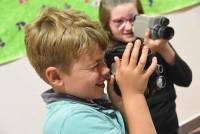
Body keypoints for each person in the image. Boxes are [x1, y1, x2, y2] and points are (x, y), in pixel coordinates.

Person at [24, 7, 158, 134]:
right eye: (94, 66)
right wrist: (134, 95)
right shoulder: (73, 120)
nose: (106, 70)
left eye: (103, 61)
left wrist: (120, 105)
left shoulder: (87, 104)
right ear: (56, 77)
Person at [99, 0, 192, 134]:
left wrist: (164, 48)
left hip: (171, 123)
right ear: (107, 23)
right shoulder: (109, 54)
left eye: (133, 19)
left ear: (141, 16)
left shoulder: (155, 40)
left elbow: (185, 79)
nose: (128, 27)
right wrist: (149, 52)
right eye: (119, 21)